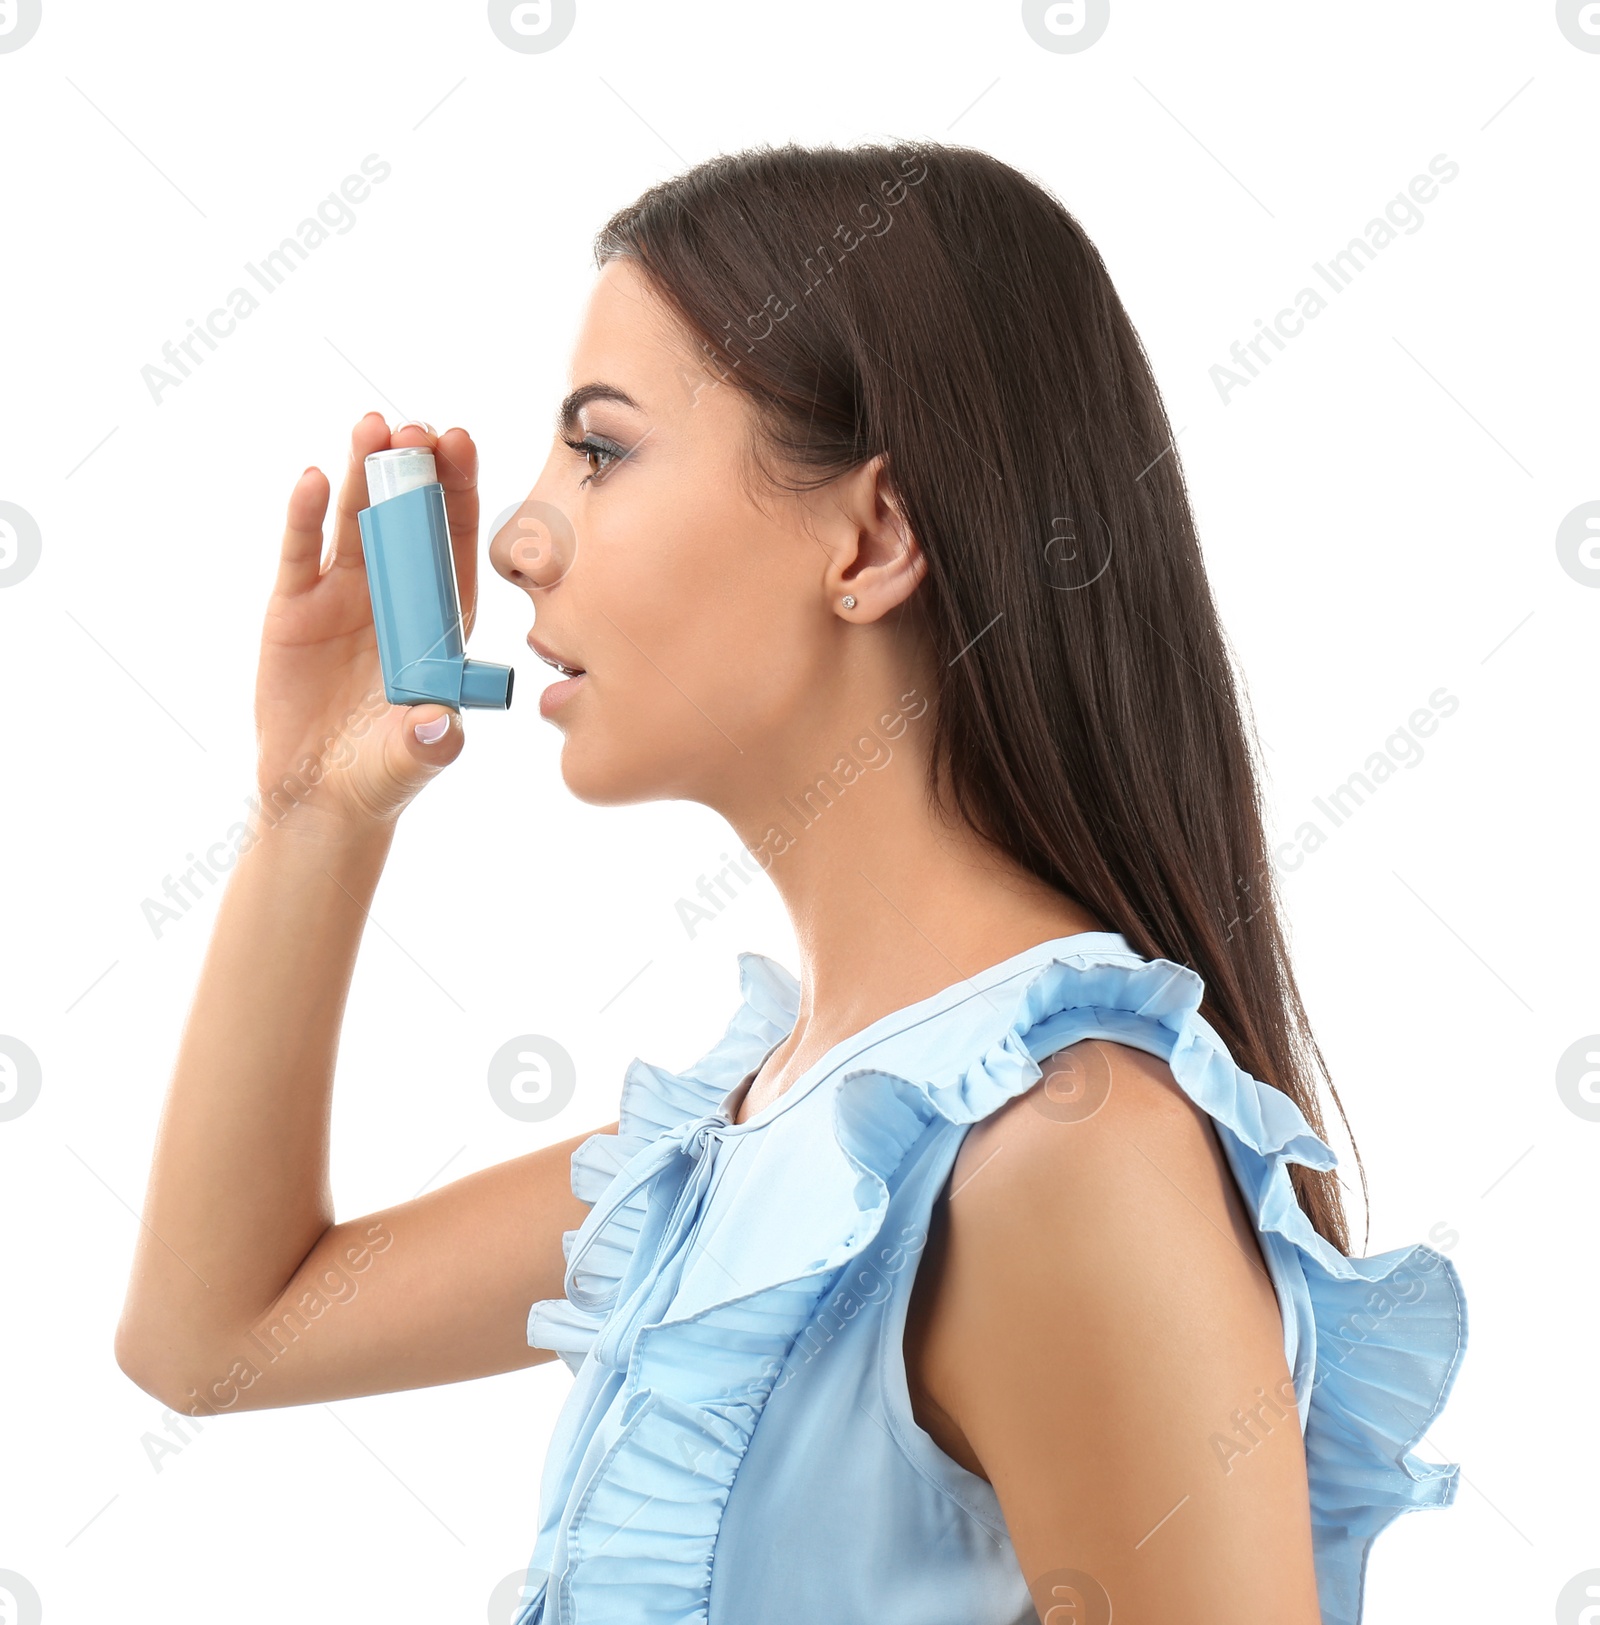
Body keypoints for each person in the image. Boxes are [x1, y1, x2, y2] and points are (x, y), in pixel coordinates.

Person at [114, 140, 1466, 1624]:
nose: (512, 540)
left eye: (604, 449)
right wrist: (314, 815)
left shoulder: (1060, 1149)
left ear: (873, 539)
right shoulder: (751, 1132)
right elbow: (212, 1331)